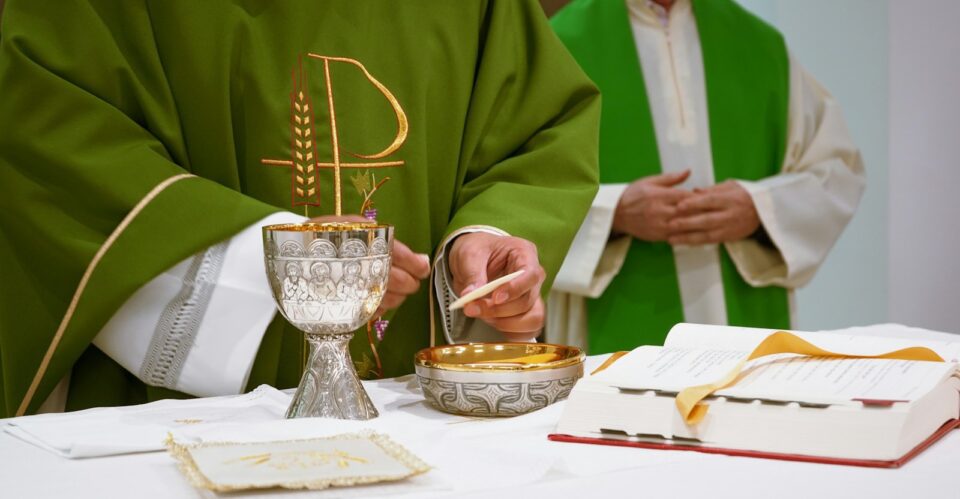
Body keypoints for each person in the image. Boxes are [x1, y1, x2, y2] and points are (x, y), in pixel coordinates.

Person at [0, 0, 600, 416]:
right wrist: (273, 262)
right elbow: (49, 137)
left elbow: (536, 127)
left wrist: (481, 241)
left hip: (415, 407)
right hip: (183, 419)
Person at [547, 0, 865, 353]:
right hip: (612, 321)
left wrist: (759, 208)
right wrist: (614, 212)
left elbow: (837, 171)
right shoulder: (560, 44)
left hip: (743, 325)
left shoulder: (759, 44)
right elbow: (520, 190)